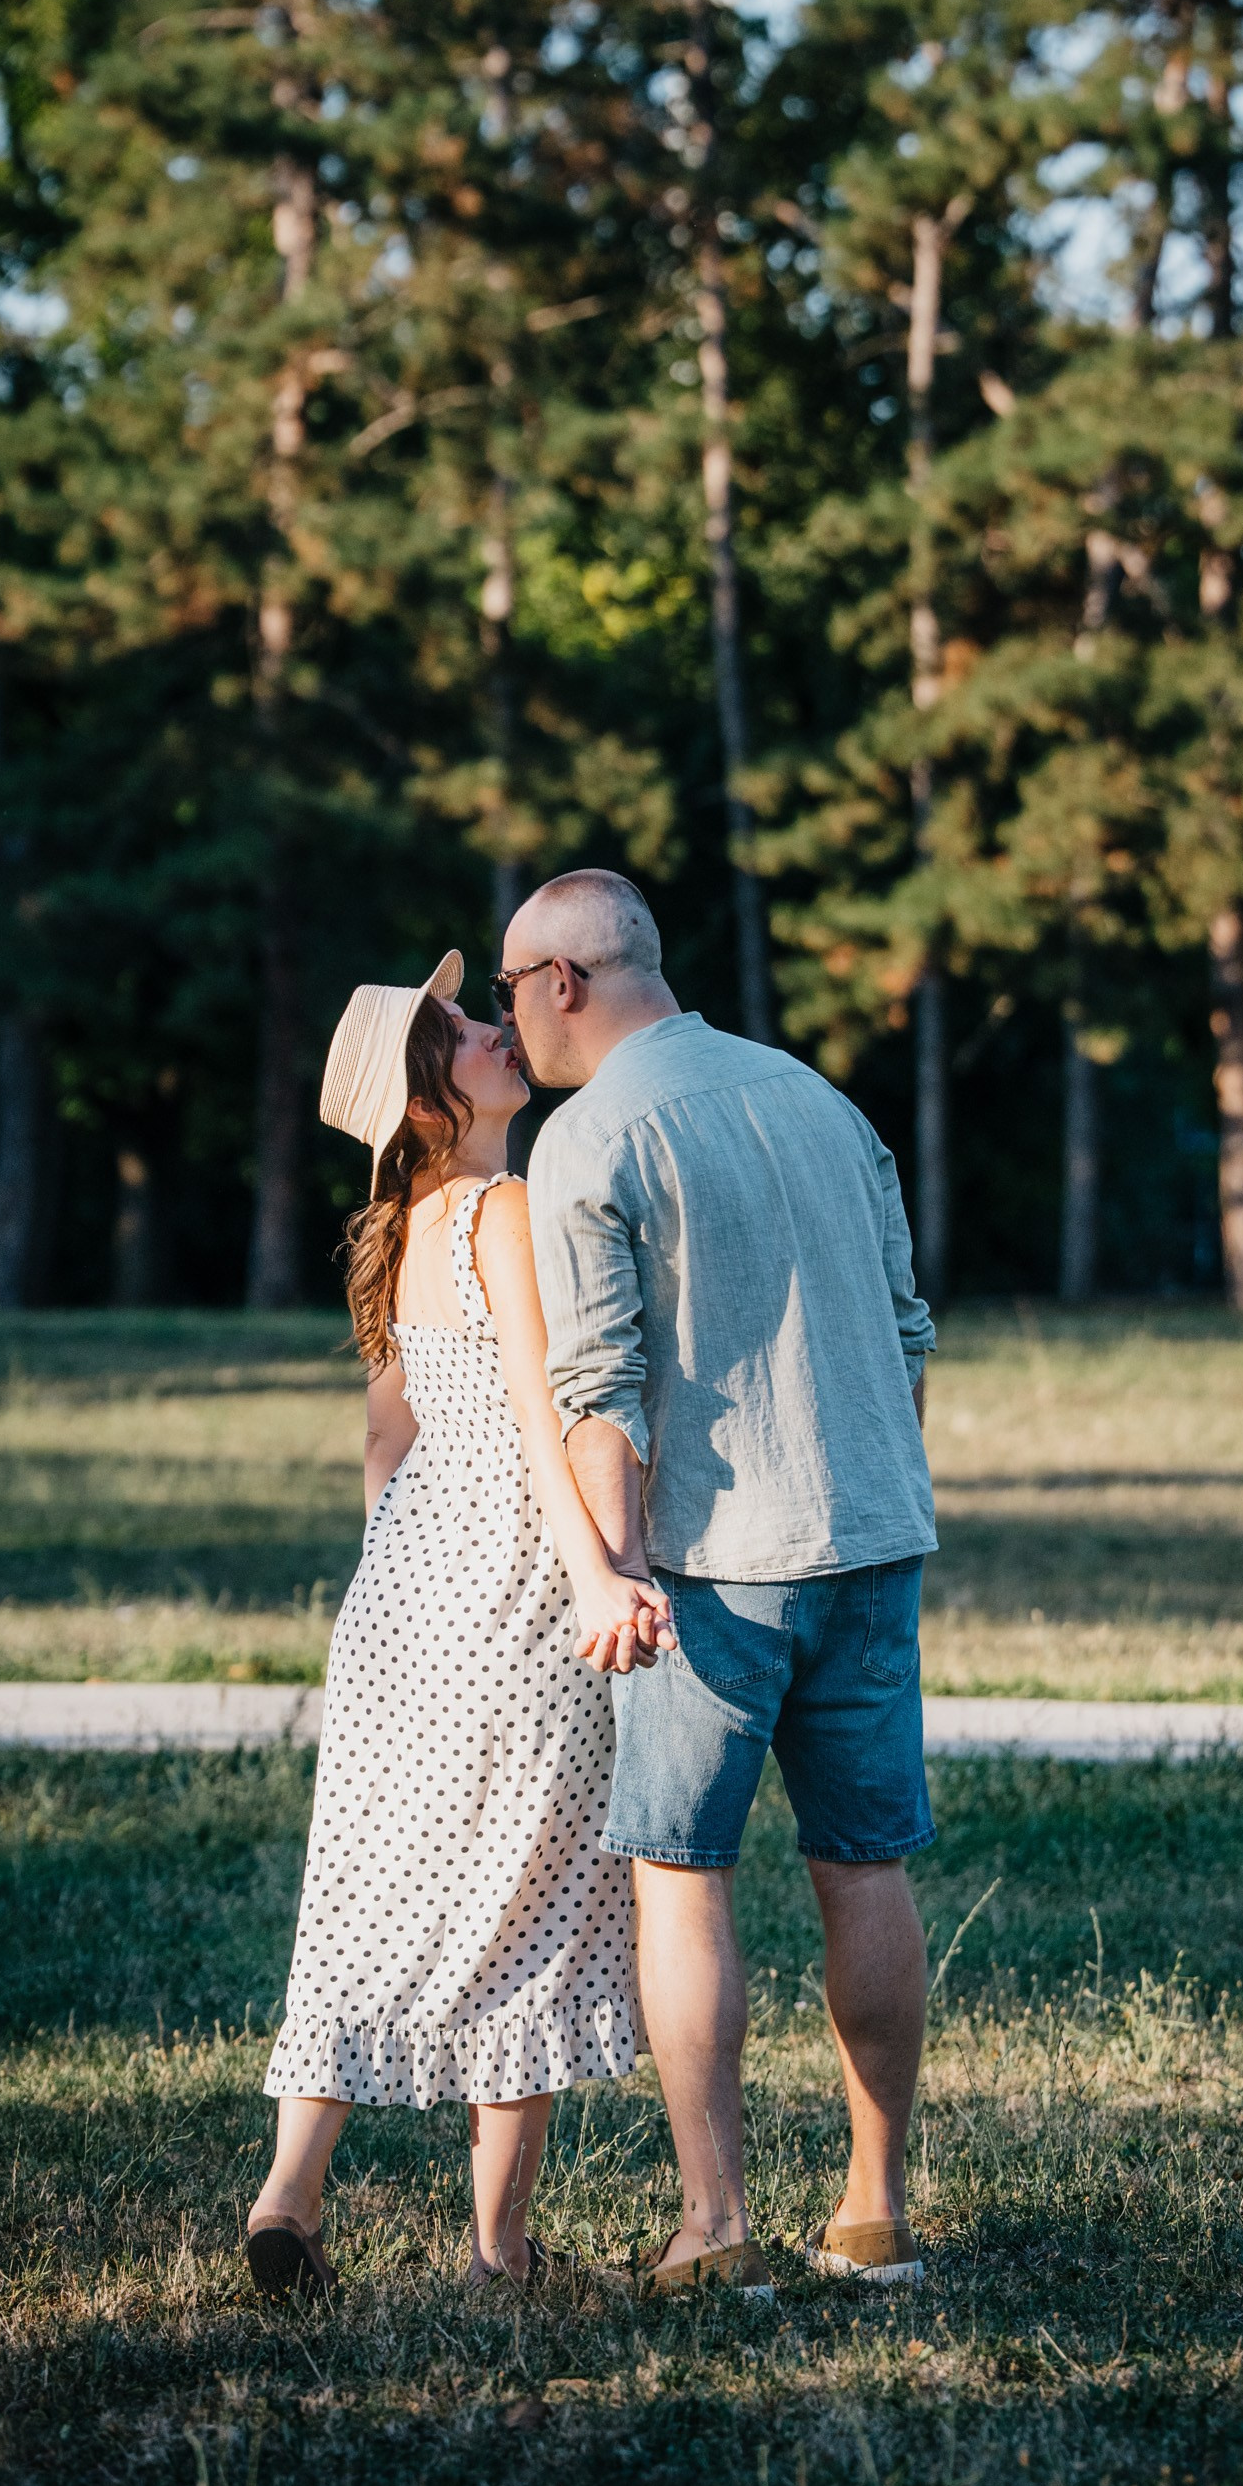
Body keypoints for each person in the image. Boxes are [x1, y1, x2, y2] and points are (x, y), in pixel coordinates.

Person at [499, 869, 938, 2297]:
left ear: (565, 979)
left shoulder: (589, 1137)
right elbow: (907, 1323)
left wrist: (609, 1572)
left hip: (707, 1569)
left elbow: (601, 1389)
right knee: (863, 1868)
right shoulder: (821, 1099)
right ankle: (874, 2211)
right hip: (871, 1538)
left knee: (682, 1883)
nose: (513, 1019)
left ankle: (717, 2225)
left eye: (511, 989)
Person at [245, 951, 672, 2302]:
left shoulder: (405, 1228)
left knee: (372, 1902)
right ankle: (497, 2253)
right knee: (528, 1906)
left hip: (403, 1598)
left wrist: (397, 1586)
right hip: (515, 1591)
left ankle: (290, 2197)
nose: (497, 1032)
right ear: (433, 1106)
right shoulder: (504, 1206)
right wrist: (596, 1569)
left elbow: (387, 1438)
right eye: (465, 1033)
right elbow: (549, 1421)